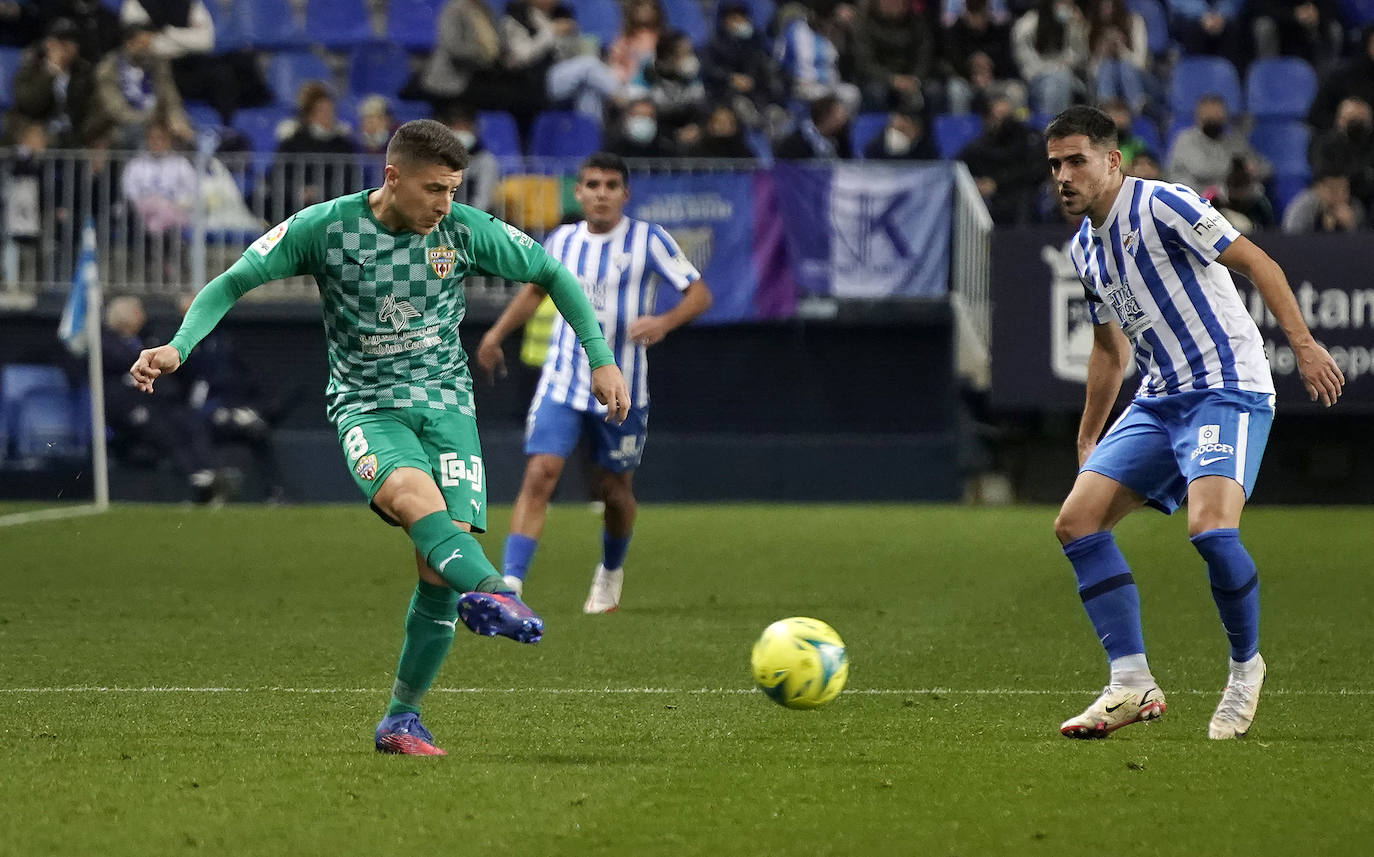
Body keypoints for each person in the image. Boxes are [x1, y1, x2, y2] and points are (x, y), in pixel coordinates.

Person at [129, 120, 632, 756]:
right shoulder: (326, 228)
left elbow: (552, 272)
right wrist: (178, 348)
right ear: (392, 177)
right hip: (368, 407)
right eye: (433, 190)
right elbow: (233, 281)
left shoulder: (463, 229)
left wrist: (599, 355)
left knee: (435, 567)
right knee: (410, 498)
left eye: (452, 190)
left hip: (447, 408)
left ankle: (401, 719)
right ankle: (499, 593)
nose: (445, 205)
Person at [1043, 105, 1344, 741]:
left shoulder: (1162, 205)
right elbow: (1108, 350)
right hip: (1160, 398)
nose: (1064, 176)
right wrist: (1088, 432)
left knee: (1209, 529)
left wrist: (1305, 344)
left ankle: (1245, 668)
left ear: (1112, 160)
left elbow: (1260, 264)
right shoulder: (1083, 249)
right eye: (1054, 165)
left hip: (1227, 387)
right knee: (1075, 521)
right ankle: (1130, 684)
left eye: (1076, 160)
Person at [475, 152, 712, 612]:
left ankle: (610, 572)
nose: (601, 193)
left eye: (610, 185)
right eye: (592, 184)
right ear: (578, 192)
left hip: (623, 388)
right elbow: (534, 289)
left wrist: (664, 321)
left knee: (614, 491)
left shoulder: (650, 240)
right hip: (562, 380)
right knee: (540, 473)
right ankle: (510, 584)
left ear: (625, 193)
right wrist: (496, 334)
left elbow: (699, 293)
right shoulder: (562, 239)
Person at [1166, 94, 1271, 199]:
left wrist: (1253, 169)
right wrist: (1240, 168)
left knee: (1257, 190)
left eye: (1217, 115)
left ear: (1225, 116)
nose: (1212, 119)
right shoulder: (1186, 139)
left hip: (1227, 199)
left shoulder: (1232, 141)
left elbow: (1265, 168)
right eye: (1208, 115)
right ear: (1198, 117)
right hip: (1193, 201)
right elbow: (1203, 170)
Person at [1280, 168, 1366, 233]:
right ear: (1318, 188)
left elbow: (1365, 245)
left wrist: (1350, 225)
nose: (1340, 195)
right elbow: (1291, 239)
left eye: (1345, 189)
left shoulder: (1354, 206)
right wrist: (1323, 228)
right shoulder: (1304, 206)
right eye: (1333, 189)